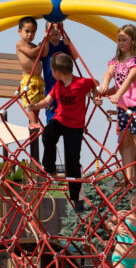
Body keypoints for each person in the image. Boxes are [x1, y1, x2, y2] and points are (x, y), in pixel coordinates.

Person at [26, 52, 100, 212]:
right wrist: (35, 106)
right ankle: (50, 167)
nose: (51, 73)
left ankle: (77, 200)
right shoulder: (58, 85)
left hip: (75, 126)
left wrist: (95, 97)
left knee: (72, 162)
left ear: (58, 72)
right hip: (60, 120)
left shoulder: (81, 83)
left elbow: (96, 83)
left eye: (52, 70)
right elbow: (47, 101)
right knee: (48, 135)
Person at [98, 24, 136, 187]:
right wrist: (104, 86)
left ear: (133, 40)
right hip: (122, 106)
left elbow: (129, 81)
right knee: (124, 141)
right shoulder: (116, 60)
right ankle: (127, 176)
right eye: (119, 40)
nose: (120, 43)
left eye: (124, 40)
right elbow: (109, 73)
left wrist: (117, 95)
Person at [39, 22, 78, 123]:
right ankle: (52, 132)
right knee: (51, 114)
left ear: (62, 32)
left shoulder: (64, 45)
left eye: (58, 27)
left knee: (66, 113)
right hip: (50, 87)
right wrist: (46, 40)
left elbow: (75, 57)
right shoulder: (46, 45)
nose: (55, 30)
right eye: (52, 28)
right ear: (46, 31)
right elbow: (43, 54)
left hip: (65, 87)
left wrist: (69, 44)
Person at [15, 16, 44, 136]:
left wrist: (45, 42)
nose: (29, 34)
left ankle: (36, 122)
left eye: (33, 32)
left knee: (38, 102)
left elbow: (44, 52)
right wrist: (40, 46)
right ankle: (32, 122)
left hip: (38, 79)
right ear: (19, 31)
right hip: (28, 79)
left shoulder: (34, 46)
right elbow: (32, 53)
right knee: (31, 101)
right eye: (27, 31)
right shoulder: (20, 44)